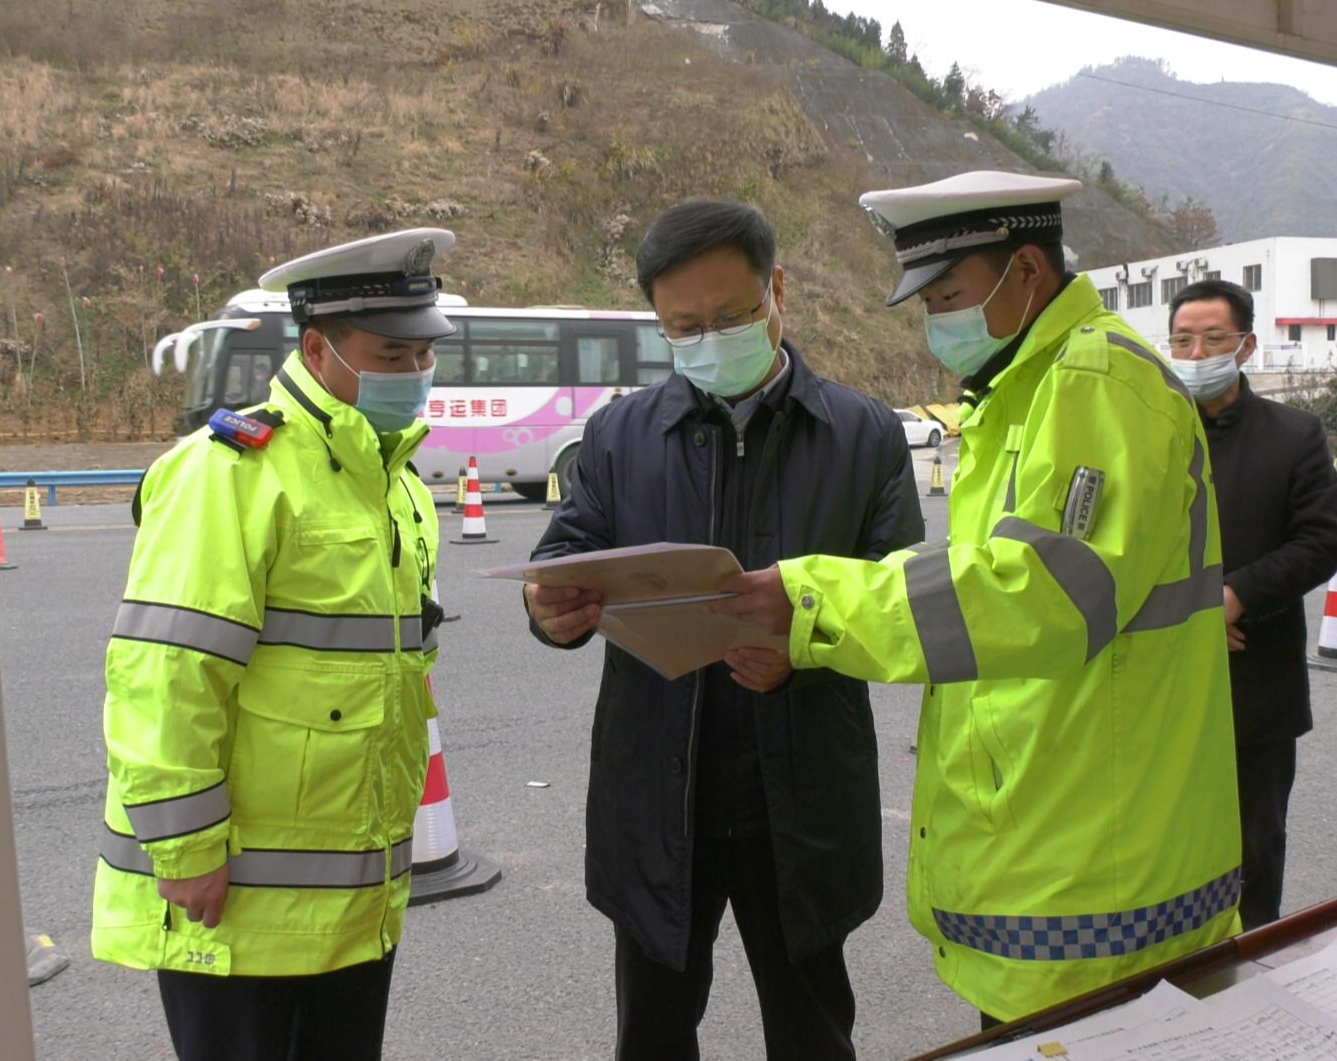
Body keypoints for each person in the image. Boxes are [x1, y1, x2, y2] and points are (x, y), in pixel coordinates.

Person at [714, 171, 1244, 1026]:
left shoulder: (1096, 382)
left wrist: (811, 600)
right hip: (1061, 833)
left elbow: (1043, 593)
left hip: (1099, 867)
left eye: (950, 295)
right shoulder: (1024, 389)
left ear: (1027, 269)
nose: (936, 323)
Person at [524, 199, 924, 1059]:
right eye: (685, 326)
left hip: (802, 796)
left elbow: (903, 596)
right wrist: (549, 612)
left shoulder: (863, 433)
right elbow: (566, 554)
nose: (709, 339)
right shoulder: (621, 433)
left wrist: (804, 646)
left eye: (732, 316)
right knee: (655, 1032)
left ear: (777, 291)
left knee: (813, 1029)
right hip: (661, 797)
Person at [92, 228, 455, 1060]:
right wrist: (182, 846)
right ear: (319, 347)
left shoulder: (396, 484)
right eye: (392, 355)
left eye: (424, 355)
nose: (415, 374)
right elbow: (167, 669)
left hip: (354, 896)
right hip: (238, 893)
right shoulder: (230, 471)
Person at [1167, 278, 1337, 928]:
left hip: (1255, 689)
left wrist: (1236, 597)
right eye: (1183, 339)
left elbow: (1321, 541)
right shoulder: (1147, 437)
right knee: (1163, 856)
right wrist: (1188, 612)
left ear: (1246, 346)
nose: (1196, 351)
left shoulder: (1293, 434)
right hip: (1164, 686)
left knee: (1253, 855)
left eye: (1213, 338)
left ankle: (1252, 996)